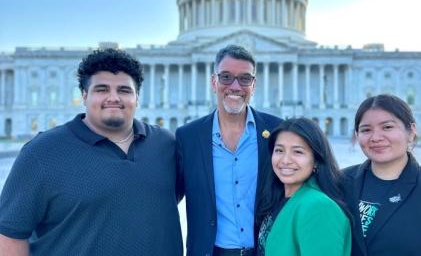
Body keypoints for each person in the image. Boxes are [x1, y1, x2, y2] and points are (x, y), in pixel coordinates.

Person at [0, 48, 183, 255]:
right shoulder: (43, 152)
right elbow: (10, 236)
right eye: (102, 89)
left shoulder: (166, 145)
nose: (113, 98)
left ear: (137, 97)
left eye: (124, 90)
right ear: (84, 96)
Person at [175, 44, 282, 256]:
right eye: (226, 77)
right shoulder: (188, 137)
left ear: (253, 85)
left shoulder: (277, 130)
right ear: (214, 82)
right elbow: (166, 198)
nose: (235, 86)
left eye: (244, 79)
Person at [343, 94, 421, 256]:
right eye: (366, 130)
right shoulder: (340, 182)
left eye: (387, 127)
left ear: (411, 132)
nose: (376, 138)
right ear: (357, 136)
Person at [256, 118, 351, 256]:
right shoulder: (281, 198)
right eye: (279, 150)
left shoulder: (319, 207)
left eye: (298, 152)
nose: (285, 160)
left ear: (316, 160)